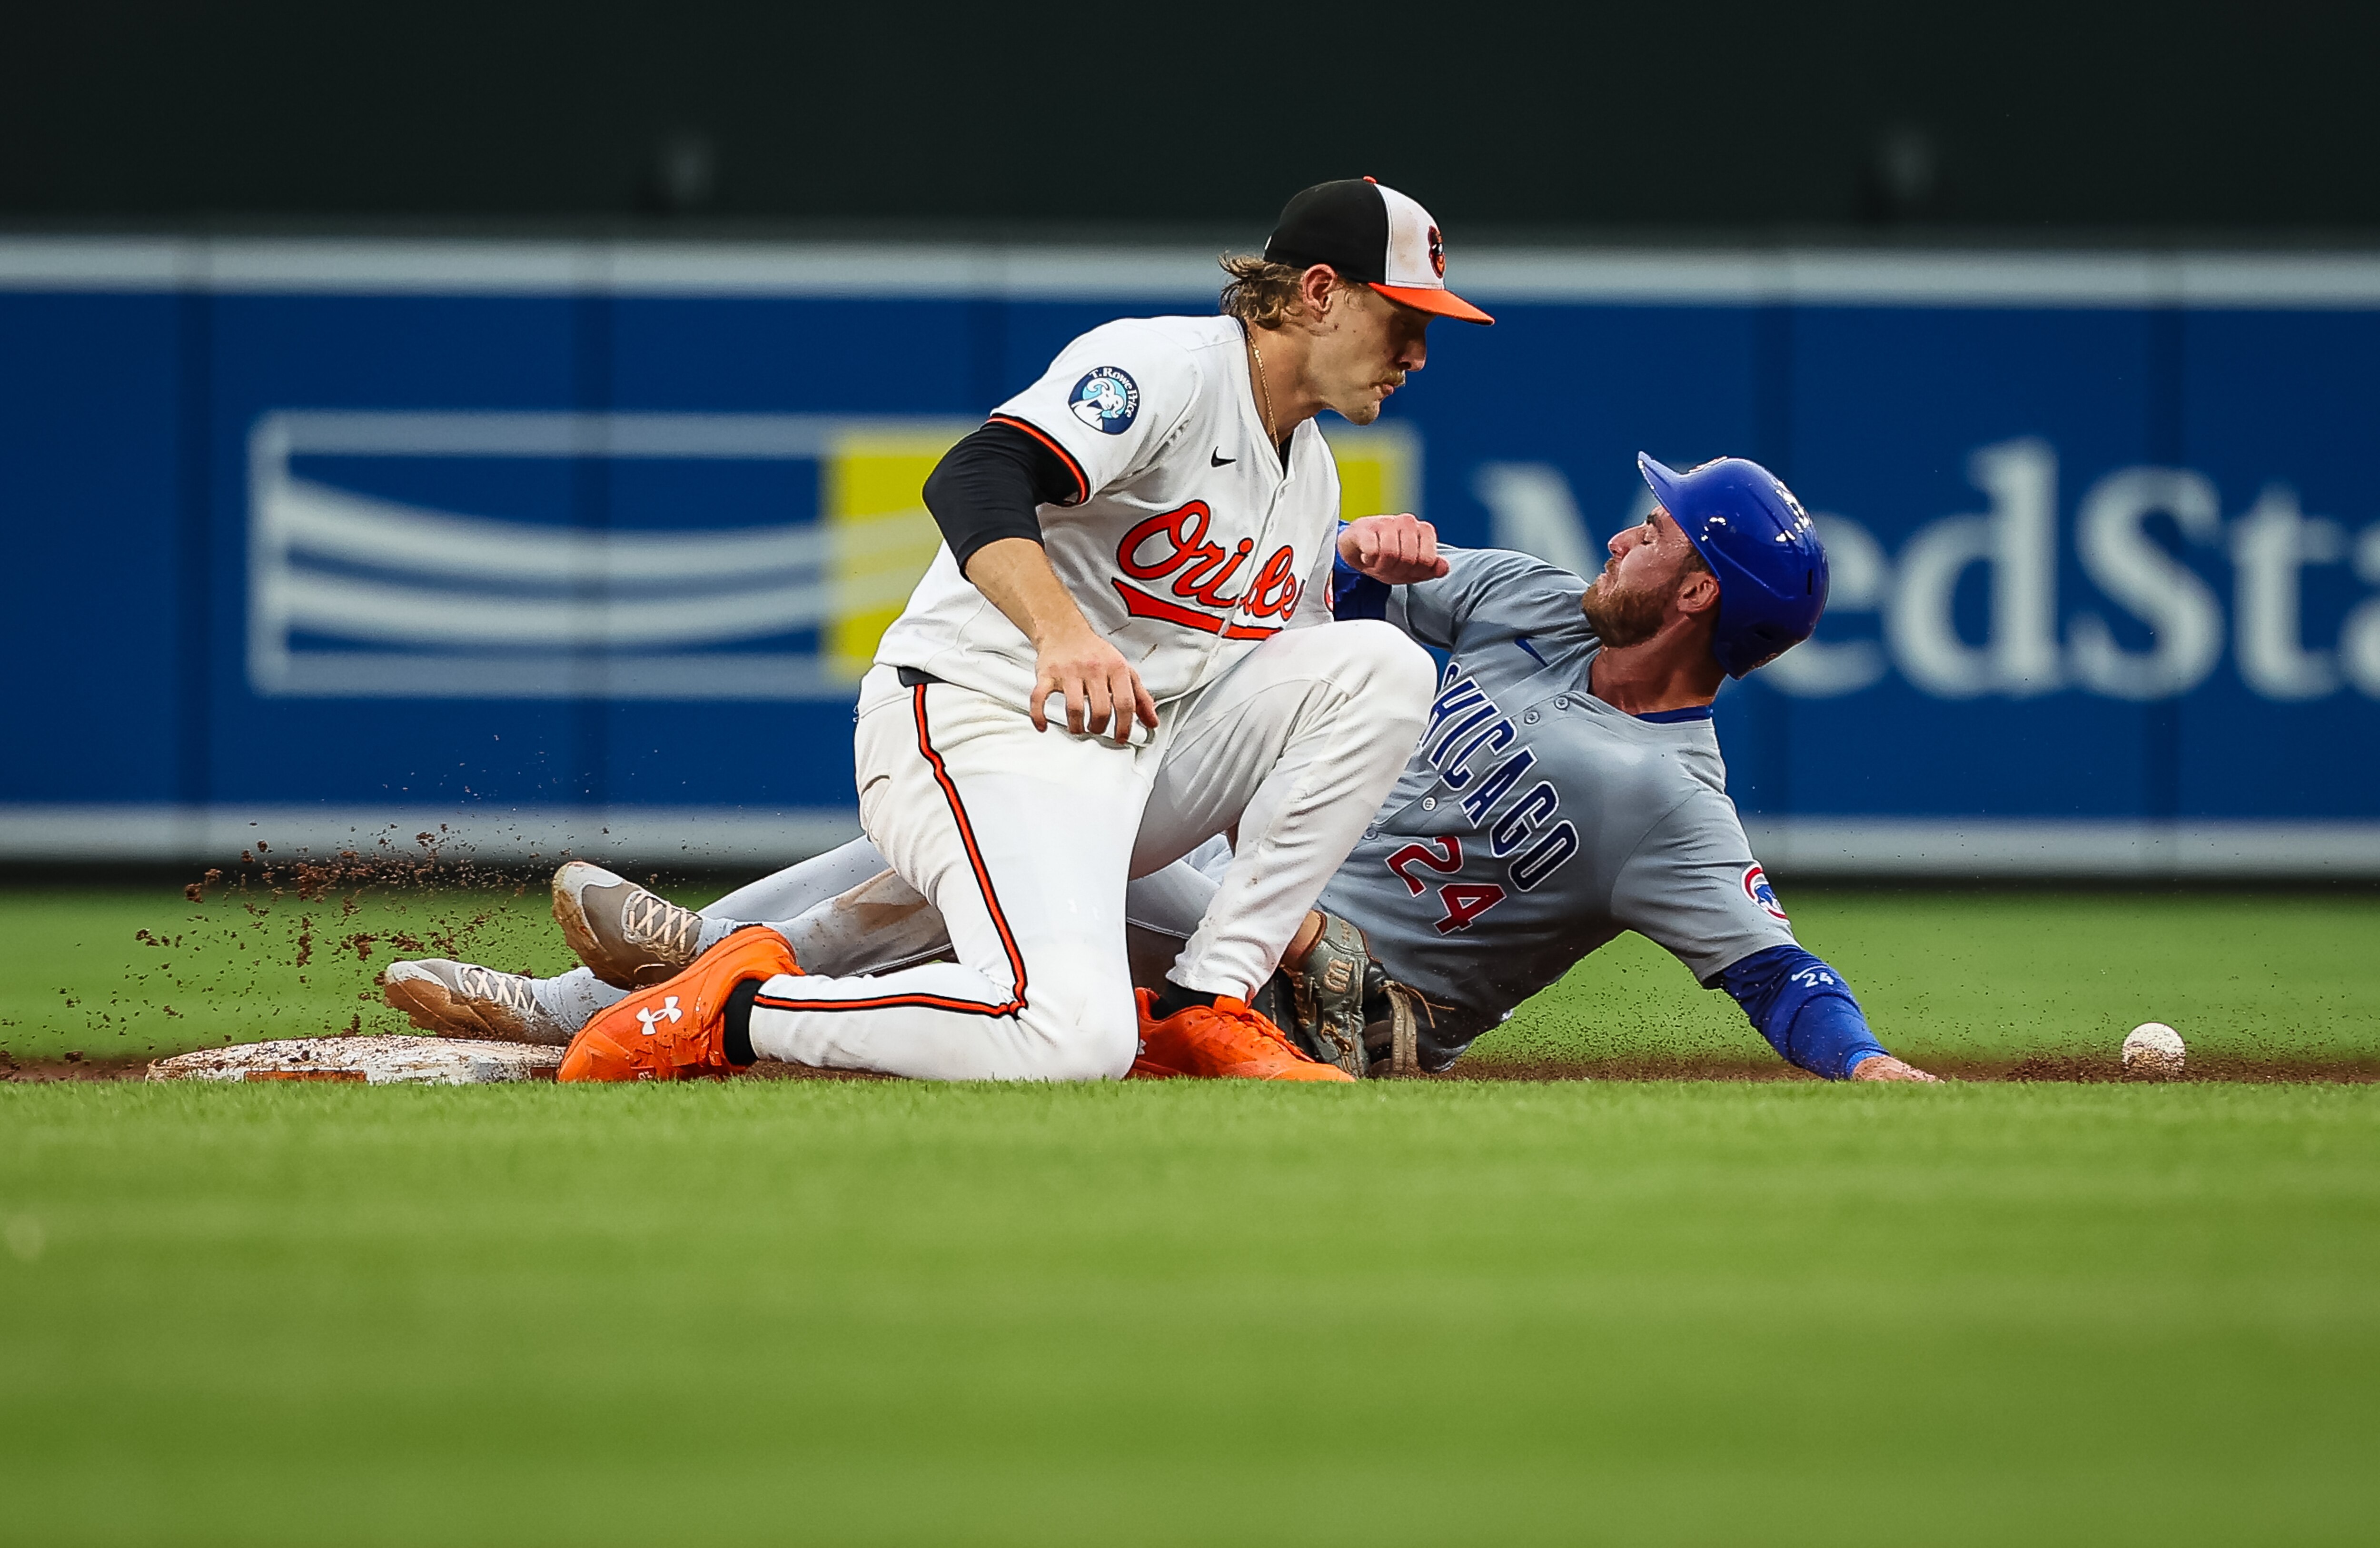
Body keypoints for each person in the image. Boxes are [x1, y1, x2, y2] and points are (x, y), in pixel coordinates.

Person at [390, 454, 1937, 1083]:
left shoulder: (1671, 792)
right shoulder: (1537, 602)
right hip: (1247, 900)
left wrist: (1867, 1065)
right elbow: (1324, 605)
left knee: (1054, 823)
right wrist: (1366, 559)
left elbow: (1778, 971)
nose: (1627, 525)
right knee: (1013, 828)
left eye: (1659, 529)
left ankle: (668, 983)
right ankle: (614, 995)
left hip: (1358, 1011)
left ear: (1697, 598)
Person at [517, 178, 1489, 1082]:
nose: (1418, 354)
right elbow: (976, 474)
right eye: (1405, 320)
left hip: (1131, 761)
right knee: (1076, 1036)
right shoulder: (1166, 367)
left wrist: (1289, 922)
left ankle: (1210, 998)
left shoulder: (1311, 477)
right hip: (979, 720)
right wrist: (1059, 630)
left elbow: (1284, 716)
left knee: (1382, 664)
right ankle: (735, 1006)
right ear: (1319, 291)